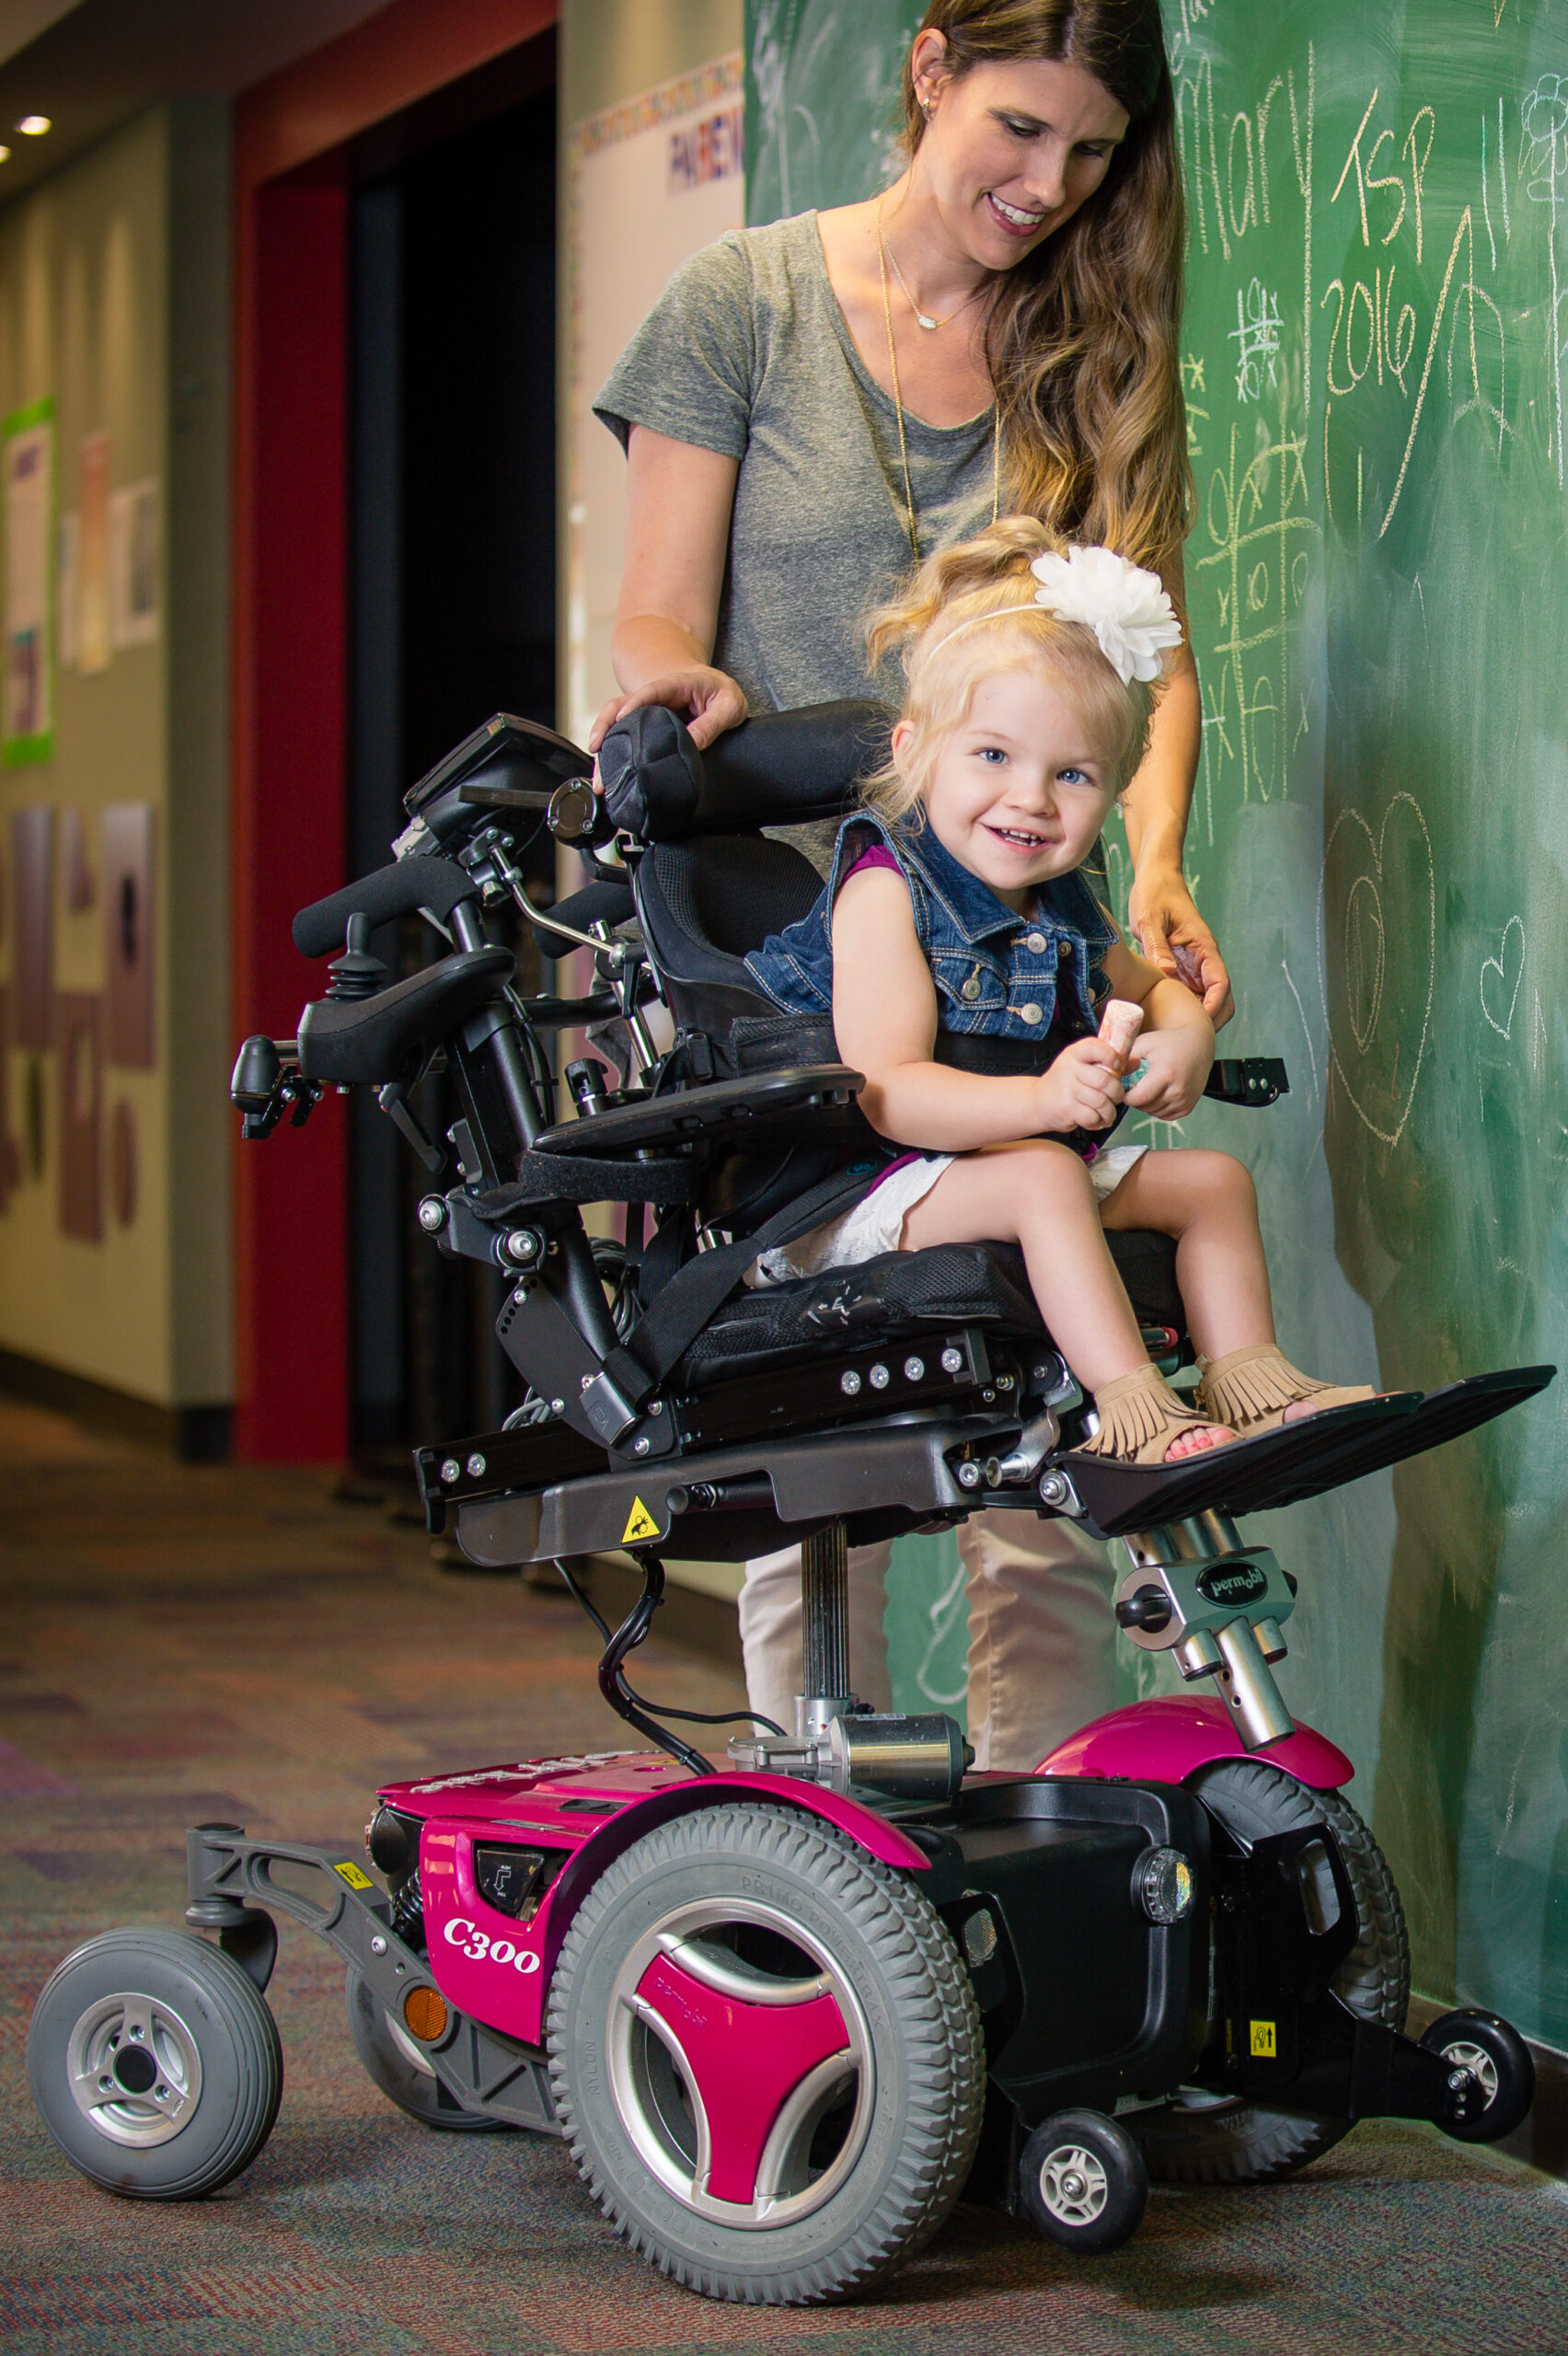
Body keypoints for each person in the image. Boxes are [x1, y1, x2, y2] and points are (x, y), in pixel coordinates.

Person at [590, 0, 1227, 1761]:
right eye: (1018, 128)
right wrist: (676, 684)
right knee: (823, 1459)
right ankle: (826, 1854)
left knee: (1040, 1433)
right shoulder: (744, 302)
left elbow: (1148, 657)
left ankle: (1051, 1855)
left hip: (1013, 958)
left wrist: (1153, 865)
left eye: (1088, 154)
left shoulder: (1089, 338)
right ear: (930, 65)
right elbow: (652, 609)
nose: (1047, 186)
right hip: (805, 975)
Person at [744, 522, 1372, 1462]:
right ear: (918, 751)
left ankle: (1253, 1385)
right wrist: (1043, 1100)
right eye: (992, 756)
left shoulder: (1062, 904)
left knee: (1212, 1181)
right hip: (859, 1197)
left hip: (1003, 1176)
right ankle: (1136, 1412)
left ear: (1113, 787)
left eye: (1072, 775)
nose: (1031, 798)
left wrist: (1187, 1036)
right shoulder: (885, 891)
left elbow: (1154, 992)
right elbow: (888, 1091)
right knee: (1044, 1175)